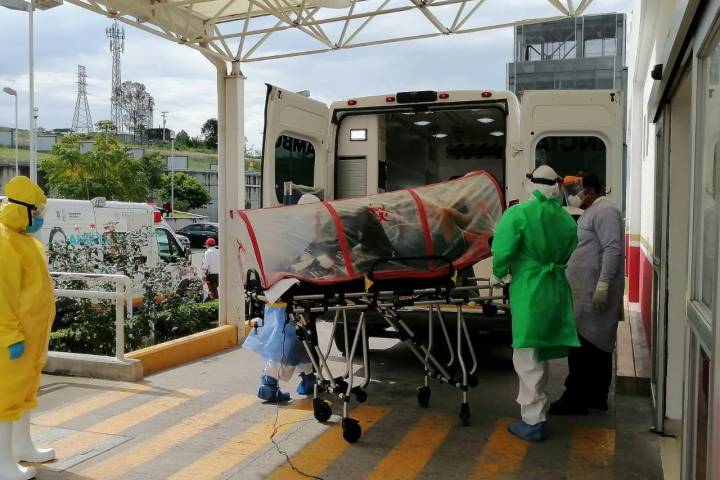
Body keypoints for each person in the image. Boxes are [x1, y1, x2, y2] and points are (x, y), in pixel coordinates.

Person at [490, 165, 580, 442]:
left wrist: (498, 273)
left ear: (531, 184)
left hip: (530, 289)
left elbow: (502, 250)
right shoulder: (566, 219)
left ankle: (532, 420)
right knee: (539, 353)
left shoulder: (518, 213)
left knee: (527, 355)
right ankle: (538, 411)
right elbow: (569, 249)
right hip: (555, 287)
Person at [550, 172, 624, 415]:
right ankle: (595, 396)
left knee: (586, 346)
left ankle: (576, 398)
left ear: (590, 191)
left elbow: (612, 249)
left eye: (577, 192)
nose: (573, 197)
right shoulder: (591, 212)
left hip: (594, 290)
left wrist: (603, 284)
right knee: (593, 344)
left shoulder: (605, 211)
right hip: (585, 291)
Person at [0, 176, 56, 480]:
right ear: (20, 209)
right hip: (12, 338)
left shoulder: (26, 241)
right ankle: (2, 463)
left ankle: (21, 446)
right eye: (36, 211)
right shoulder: (3, 240)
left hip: (32, 336)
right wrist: (10, 335)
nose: (39, 217)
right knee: (4, 397)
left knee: (23, 393)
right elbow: (2, 294)